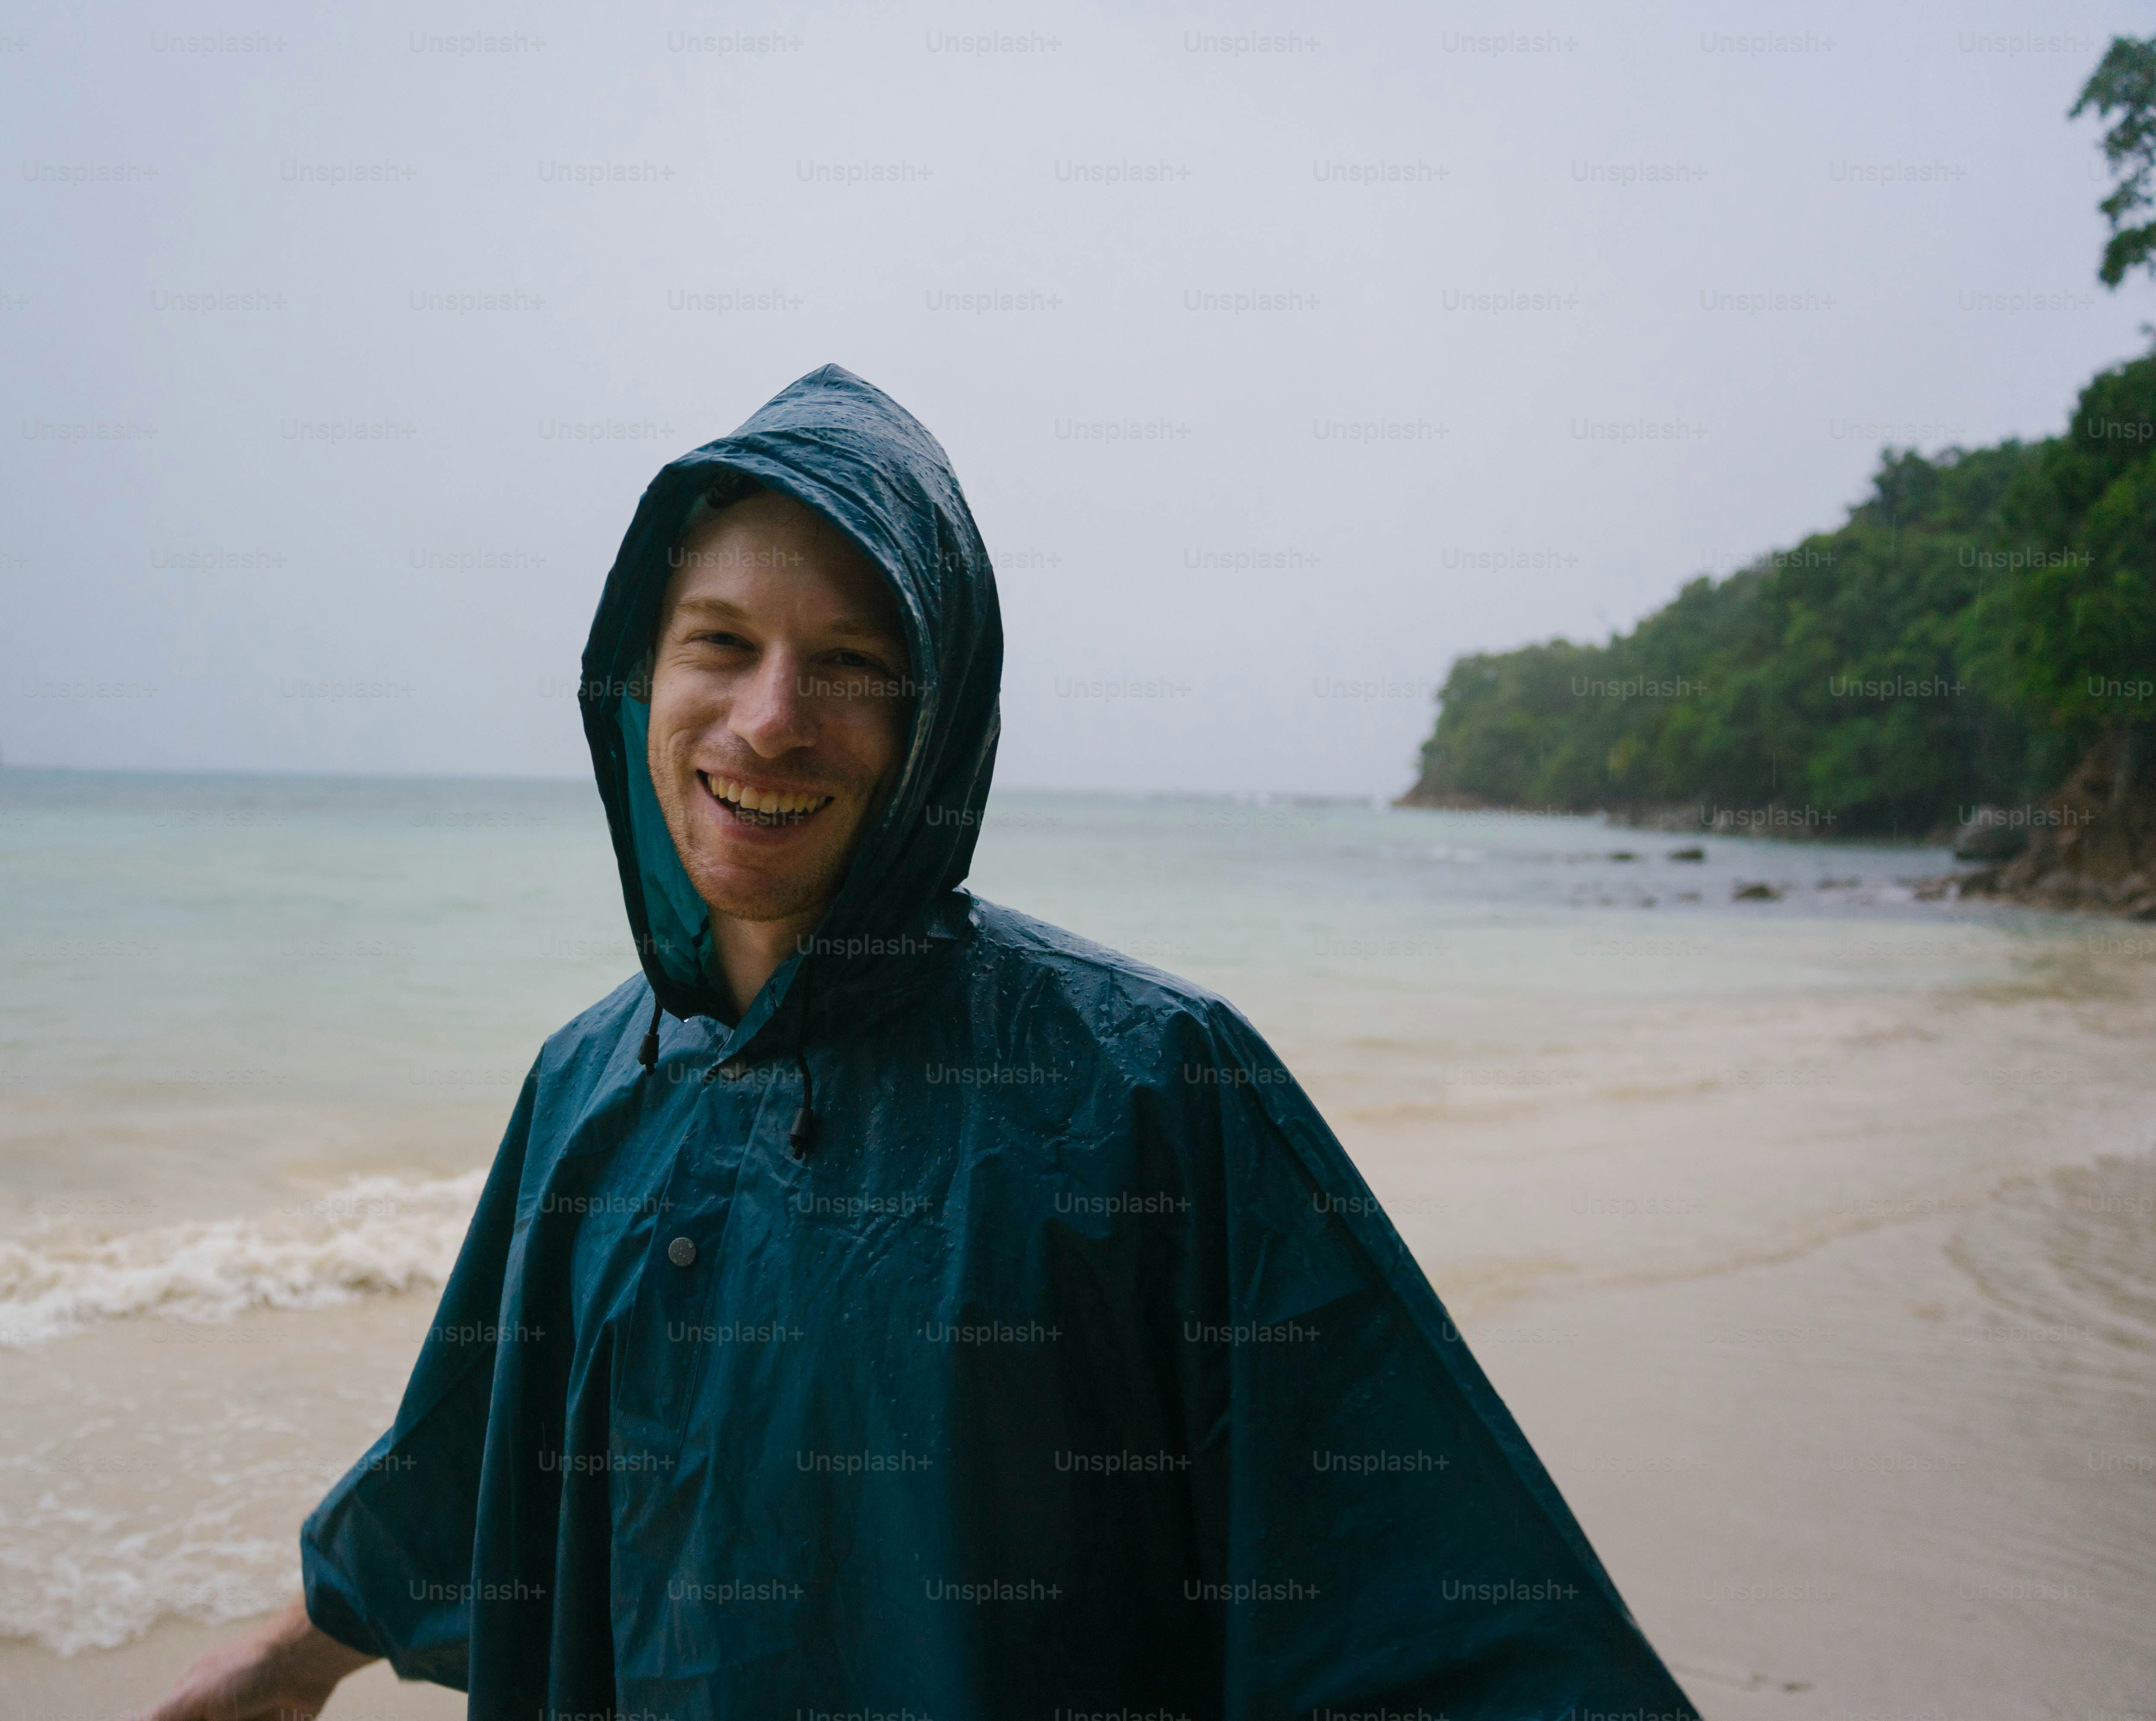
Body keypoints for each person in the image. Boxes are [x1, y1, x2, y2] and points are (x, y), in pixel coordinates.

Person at [135, 364, 1697, 1721]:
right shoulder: (582, 1088)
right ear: (640, 676)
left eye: (855, 667)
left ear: (939, 720)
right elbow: (475, 1459)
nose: (769, 720)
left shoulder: (1152, 1091)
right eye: (720, 643)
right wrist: (290, 1654)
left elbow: (1446, 1614)